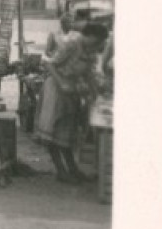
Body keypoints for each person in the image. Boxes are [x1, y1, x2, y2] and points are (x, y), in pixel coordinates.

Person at [34, 20, 108, 183]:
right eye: (96, 41)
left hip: (70, 91)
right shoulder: (71, 45)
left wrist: (97, 93)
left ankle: (72, 169)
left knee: (67, 132)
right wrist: (61, 82)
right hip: (55, 88)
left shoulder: (91, 51)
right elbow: (49, 64)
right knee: (53, 131)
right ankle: (61, 171)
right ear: (89, 36)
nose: (97, 45)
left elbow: (88, 74)